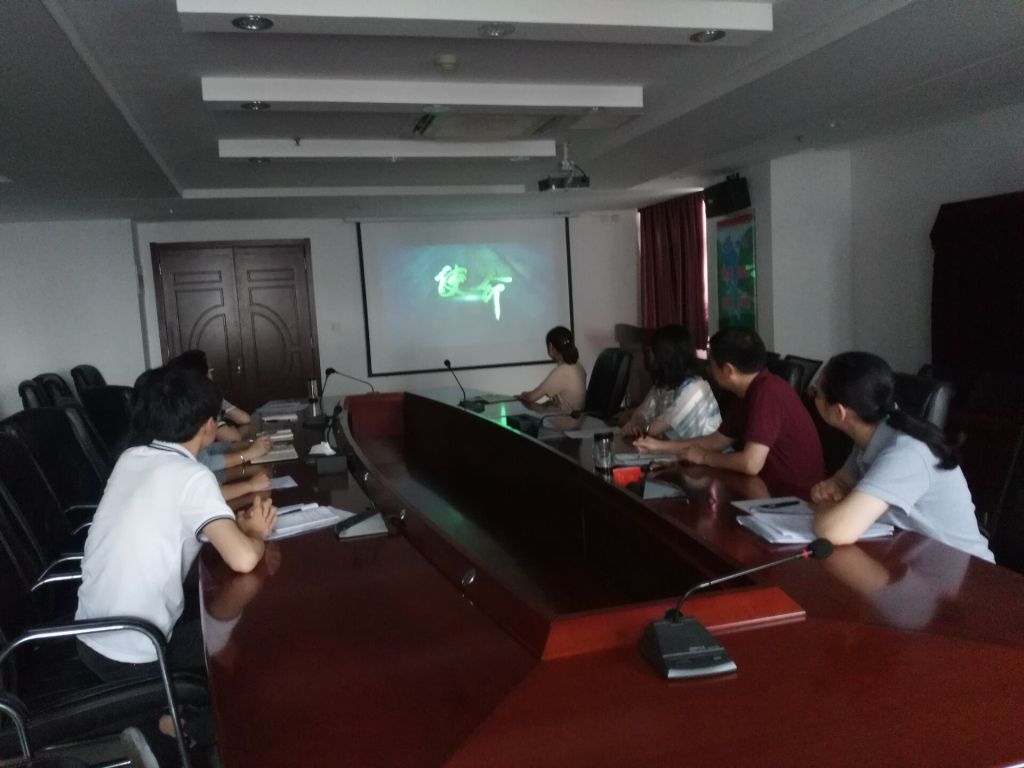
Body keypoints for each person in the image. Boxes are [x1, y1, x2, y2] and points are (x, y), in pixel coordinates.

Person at [76, 365, 278, 761]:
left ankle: (169, 720)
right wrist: (255, 532)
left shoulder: (132, 457)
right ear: (208, 426)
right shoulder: (190, 476)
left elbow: (173, 522)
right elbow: (242, 558)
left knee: (216, 620)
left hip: (91, 635)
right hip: (137, 650)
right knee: (247, 635)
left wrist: (235, 529)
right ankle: (176, 730)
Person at [809, 351, 993, 561]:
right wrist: (834, 493)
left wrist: (826, 506)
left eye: (815, 393)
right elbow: (842, 482)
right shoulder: (872, 433)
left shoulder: (906, 452)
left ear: (839, 412)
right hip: (913, 560)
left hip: (966, 571)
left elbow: (834, 531)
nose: (812, 397)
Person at [635, 326, 825, 497]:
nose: (710, 370)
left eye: (712, 364)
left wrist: (704, 457)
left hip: (796, 500)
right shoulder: (749, 391)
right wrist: (660, 446)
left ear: (728, 370)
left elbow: (750, 463)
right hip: (766, 492)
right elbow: (717, 441)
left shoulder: (767, 393)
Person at [622, 325, 721, 440]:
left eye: (652, 351)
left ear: (664, 356)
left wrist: (642, 427)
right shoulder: (664, 384)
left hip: (708, 450)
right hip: (677, 448)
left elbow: (655, 429)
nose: (649, 355)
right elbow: (642, 413)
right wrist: (635, 423)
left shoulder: (696, 387)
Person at [167, 349, 252, 440]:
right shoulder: (196, 402)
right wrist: (235, 433)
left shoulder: (209, 396)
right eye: (209, 371)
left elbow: (245, 419)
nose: (211, 375)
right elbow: (233, 438)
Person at [518, 326, 587, 412]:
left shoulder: (562, 372)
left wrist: (520, 396)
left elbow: (531, 397)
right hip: (577, 417)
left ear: (551, 347)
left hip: (565, 418)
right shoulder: (578, 366)